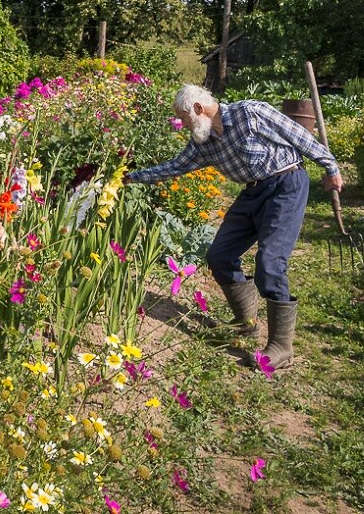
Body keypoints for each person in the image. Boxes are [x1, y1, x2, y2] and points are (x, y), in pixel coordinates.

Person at [126, 84, 343, 369]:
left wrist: (331, 167)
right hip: (252, 192)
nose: (182, 125)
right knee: (220, 256)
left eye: (184, 117)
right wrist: (131, 177)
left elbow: (299, 136)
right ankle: (247, 323)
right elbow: (174, 167)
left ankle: (281, 347)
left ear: (198, 109)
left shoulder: (251, 112)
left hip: (285, 185)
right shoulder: (202, 142)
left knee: (270, 262)